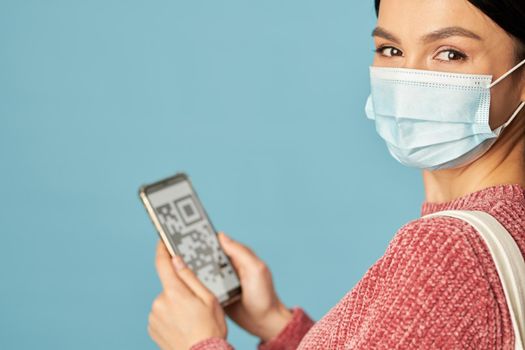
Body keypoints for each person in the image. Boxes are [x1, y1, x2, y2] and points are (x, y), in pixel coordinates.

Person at [146, 0, 525, 348]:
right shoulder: (505, 224)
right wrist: (275, 324)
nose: (408, 81)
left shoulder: (447, 249)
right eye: (390, 50)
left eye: (450, 53)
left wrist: (197, 343)